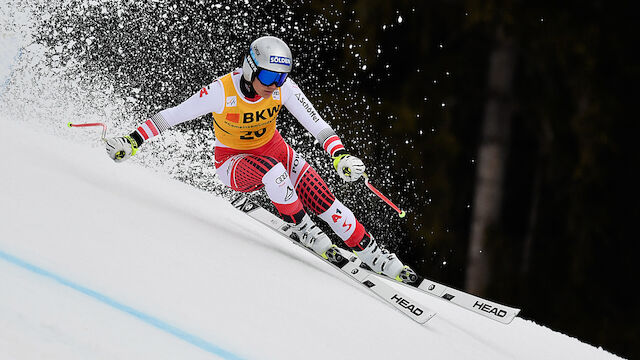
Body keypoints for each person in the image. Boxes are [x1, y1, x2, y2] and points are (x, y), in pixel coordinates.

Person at [106, 35, 416, 282]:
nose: (273, 86)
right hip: (234, 164)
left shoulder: (283, 89)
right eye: (267, 76)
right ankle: (304, 229)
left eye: (280, 79)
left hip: (274, 149)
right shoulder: (221, 91)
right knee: (276, 173)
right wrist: (133, 141)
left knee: (324, 197)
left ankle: (374, 253)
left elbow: (317, 125)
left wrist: (340, 154)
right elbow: (172, 116)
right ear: (250, 68)